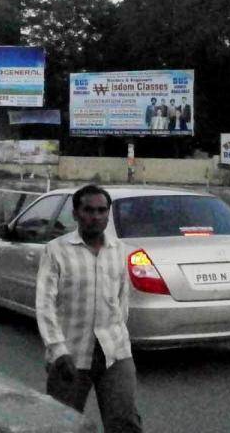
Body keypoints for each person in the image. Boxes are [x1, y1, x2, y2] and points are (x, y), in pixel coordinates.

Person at [35, 185, 143, 433]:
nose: (95, 216)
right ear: (75, 214)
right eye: (88, 210)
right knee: (63, 423)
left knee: (125, 421)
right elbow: (44, 305)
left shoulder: (119, 251)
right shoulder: (56, 251)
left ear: (108, 214)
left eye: (102, 210)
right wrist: (58, 350)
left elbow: (121, 301)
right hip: (71, 355)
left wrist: (118, 336)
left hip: (114, 353)